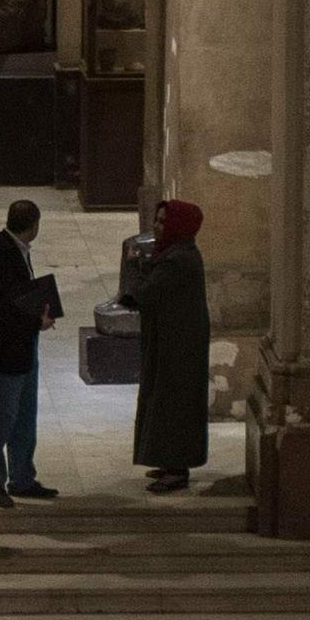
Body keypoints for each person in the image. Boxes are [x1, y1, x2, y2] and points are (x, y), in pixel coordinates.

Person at [0, 198, 61, 504]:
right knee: (1, 420)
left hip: (20, 348)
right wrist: (37, 321)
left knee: (23, 416)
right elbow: (3, 308)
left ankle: (22, 478)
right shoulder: (1, 254)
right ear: (34, 226)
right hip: (3, 353)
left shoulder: (14, 249)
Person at [132, 195, 212, 492]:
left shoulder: (178, 259)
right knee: (164, 401)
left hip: (179, 346)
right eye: (157, 220)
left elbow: (148, 292)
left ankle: (177, 469)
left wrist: (135, 266)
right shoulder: (175, 253)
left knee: (174, 403)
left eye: (164, 222)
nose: (157, 226)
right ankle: (168, 461)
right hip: (172, 340)